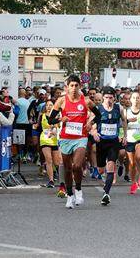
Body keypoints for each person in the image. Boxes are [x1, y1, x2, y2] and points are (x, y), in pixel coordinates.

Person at [47, 75, 101, 209]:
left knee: (77, 166)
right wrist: (60, 119)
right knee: (67, 168)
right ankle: (70, 195)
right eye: (71, 85)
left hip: (81, 138)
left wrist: (91, 123)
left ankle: (78, 190)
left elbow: (99, 115)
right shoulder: (61, 101)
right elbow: (50, 120)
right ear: (67, 87)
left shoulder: (86, 101)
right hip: (65, 138)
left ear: (80, 87)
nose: (74, 88)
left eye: (76, 85)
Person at [91, 86, 127, 205]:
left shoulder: (119, 108)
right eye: (106, 97)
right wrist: (94, 132)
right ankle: (104, 180)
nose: (108, 100)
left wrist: (125, 135)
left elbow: (124, 120)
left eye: (111, 97)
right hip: (101, 142)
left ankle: (106, 193)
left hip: (113, 142)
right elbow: (89, 124)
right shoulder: (98, 109)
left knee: (111, 166)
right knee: (101, 170)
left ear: (114, 98)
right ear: (102, 98)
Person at [126, 91, 140, 194]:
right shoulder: (126, 112)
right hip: (129, 138)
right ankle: (133, 182)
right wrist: (128, 121)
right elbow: (122, 125)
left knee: (139, 157)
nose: (135, 99)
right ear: (130, 100)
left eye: (137, 98)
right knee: (132, 163)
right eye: (133, 98)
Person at [38, 100, 62, 190]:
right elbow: (39, 126)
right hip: (45, 139)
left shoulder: (57, 116)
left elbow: (58, 126)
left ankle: (62, 178)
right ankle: (51, 180)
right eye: (47, 105)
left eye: (51, 105)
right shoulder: (42, 115)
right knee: (49, 160)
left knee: (57, 162)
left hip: (54, 139)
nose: (48, 107)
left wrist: (56, 125)